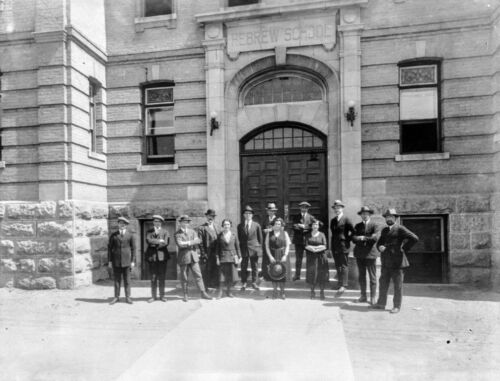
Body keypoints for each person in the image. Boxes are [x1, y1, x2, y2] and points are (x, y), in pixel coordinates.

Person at [372, 209, 419, 314]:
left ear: (395, 218)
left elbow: (415, 238)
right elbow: (379, 242)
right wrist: (380, 247)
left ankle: (396, 306)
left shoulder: (400, 228)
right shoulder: (384, 230)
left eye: (391, 217)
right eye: (387, 217)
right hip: (386, 262)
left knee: (397, 286)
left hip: (398, 263)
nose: (389, 219)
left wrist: (403, 249)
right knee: (383, 283)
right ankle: (381, 304)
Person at [174, 215, 212, 302]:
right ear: (180, 223)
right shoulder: (177, 234)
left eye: (187, 222)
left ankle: (203, 292)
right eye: (184, 222)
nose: (186, 223)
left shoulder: (192, 231)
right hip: (183, 257)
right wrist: (191, 242)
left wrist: (187, 242)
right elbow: (180, 244)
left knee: (198, 275)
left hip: (194, 257)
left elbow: (198, 241)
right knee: (184, 276)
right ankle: (185, 294)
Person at [352, 206, 379, 304]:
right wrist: (364, 237)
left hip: (370, 254)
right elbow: (353, 238)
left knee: (372, 276)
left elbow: (374, 239)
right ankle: (363, 296)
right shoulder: (357, 226)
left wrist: (362, 237)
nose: (364, 215)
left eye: (366, 213)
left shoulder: (374, 225)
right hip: (359, 254)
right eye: (363, 214)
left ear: (369, 214)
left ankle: (373, 297)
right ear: (361, 215)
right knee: (361, 276)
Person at [108, 217, 136, 305]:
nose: (122, 225)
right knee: (117, 280)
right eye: (120, 223)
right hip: (116, 261)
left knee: (127, 280)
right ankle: (116, 297)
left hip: (127, 261)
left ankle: (128, 297)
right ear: (118, 224)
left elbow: (133, 249)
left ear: (126, 225)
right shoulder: (113, 235)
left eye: (124, 223)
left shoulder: (130, 235)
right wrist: (110, 261)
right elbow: (110, 249)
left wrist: (132, 261)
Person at [330, 200, 355, 295]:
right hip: (335, 246)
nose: (337, 210)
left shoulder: (346, 219)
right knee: (337, 265)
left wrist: (347, 239)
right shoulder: (333, 220)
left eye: (339, 208)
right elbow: (333, 233)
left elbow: (353, 231)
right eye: (335, 208)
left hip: (343, 246)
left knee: (344, 265)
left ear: (342, 208)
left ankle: (344, 285)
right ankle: (339, 283)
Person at [237, 205, 263, 291]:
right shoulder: (240, 226)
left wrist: (259, 250)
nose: (248, 215)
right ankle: (244, 282)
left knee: (254, 266)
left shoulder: (256, 225)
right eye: (246, 213)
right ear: (244, 215)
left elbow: (260, 239)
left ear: (252, 215)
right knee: (243, 266)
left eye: (249, 213)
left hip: (254, 249)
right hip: (244, 249)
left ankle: (254, 282)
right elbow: (240, 238)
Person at [145, 215, 170, 303]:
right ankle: (153, 296)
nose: (157, 223)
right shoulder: (149, 231)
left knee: (162, 277)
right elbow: (148, 241)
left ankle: (162, 296)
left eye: (158, 222)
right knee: (153, 277)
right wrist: (159, 241)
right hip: (152, 257)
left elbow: (166, 243)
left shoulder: (165, 232)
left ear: (161, 223)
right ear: (153, 222)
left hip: (162, 257)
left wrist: (154, 242)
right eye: (155, 221)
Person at [265, 218, 291, 299]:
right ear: (273, 225)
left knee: (282, 273)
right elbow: (267, 246)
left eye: (279, 224)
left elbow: (288, 245)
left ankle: (282, 292)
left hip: (282, 255)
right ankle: (275, 291)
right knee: (274, 272)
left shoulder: (285, 233)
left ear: (281, 225)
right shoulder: (269, 233)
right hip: (273, 255)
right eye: (276, 224)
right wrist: (270, 256)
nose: (277, 225)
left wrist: (285, 255)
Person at [215, 219, 242, 298]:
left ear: (230, 226)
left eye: (228, 224)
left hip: (232, 257)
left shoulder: (234, 235)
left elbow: (237, 247)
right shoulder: (219, 235)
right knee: (222, 276)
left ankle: (229, 291)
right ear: (222, 226)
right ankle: (220, 292)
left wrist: (240, 257)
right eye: (225, 225)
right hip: (223, 257)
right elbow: (217, 248)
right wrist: (217, 258)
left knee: (232, 276)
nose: (226, 226)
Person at [305, 219, 329, 300]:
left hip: (321, 257)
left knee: (321, 274)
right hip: (311, 258)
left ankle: (322, 292)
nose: (315, 226)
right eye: (314, 225)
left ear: (318, 226)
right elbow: (306, 245)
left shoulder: (322, 234)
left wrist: (315, 248)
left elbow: (325, 246)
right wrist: (314, 249)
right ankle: (312, 292)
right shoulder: (308, 235)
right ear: (311, 226)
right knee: (312, 274)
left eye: (317, 225)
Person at [197, 209, 220, 291]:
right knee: (207, 269)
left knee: (216, 268)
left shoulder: (216, 226)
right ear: (206, 216)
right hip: (207, 252)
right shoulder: (202, 228)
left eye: (213, 216)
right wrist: (203, 253)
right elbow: (200, 242)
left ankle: (215, 285)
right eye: (209, 216)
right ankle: (206, 286)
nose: (211, 218)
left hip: (216, 251)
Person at [292, 201, 315, 281]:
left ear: (308, 208)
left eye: (305, 207)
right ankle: (297, 275)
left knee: (310, 258)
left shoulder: (311, 217)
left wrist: (305, 226)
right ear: (300, 208)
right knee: (298, 259)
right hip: (298, 241)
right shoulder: (296, 217)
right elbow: (294, 226)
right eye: (302, 207)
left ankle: (309, 276)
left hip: (308, 241)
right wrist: (304, 228)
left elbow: (318, 225)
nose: (304, 209)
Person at [261, 202, 279, 281]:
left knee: (274, 257)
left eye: (272, 211)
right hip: (266, 241)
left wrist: (271, 229)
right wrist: (264, 230)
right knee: (266, 258)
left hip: (275, 242)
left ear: (274, 211)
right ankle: (266, 275)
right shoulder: (264, 219)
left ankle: (275, 274)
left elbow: (281, 229)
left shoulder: (278, 219)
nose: (271, 212)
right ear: (267, 211)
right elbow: (261, 229)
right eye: (269, 211)